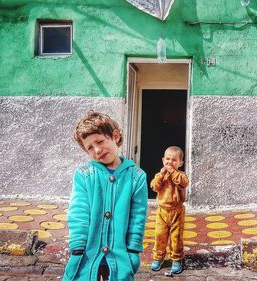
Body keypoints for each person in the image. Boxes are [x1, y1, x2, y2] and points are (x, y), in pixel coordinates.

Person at [63, 111, 148, 281]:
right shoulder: (84, 175)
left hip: (120, 254)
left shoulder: (137, 176)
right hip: (87, 253)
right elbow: (78, 211)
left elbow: (138, 216)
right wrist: (78, 247)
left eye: (100, 141)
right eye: (90, 148)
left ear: (115, 136)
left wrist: (133, 249)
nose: (97, 150)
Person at [150, 146, 189, 274]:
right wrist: (161, 175)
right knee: (160, 235)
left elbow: (183, 183)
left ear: (180, 163)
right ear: (163, 160)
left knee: (176, 237)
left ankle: (176, 259)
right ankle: (158, 257)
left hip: (177, 211)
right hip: (162, 211)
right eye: (167, 159)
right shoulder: (159, 175)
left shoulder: (181, 175)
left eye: (174, 160)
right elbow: (154, 187)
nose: (170, 162)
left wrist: (173, 172)